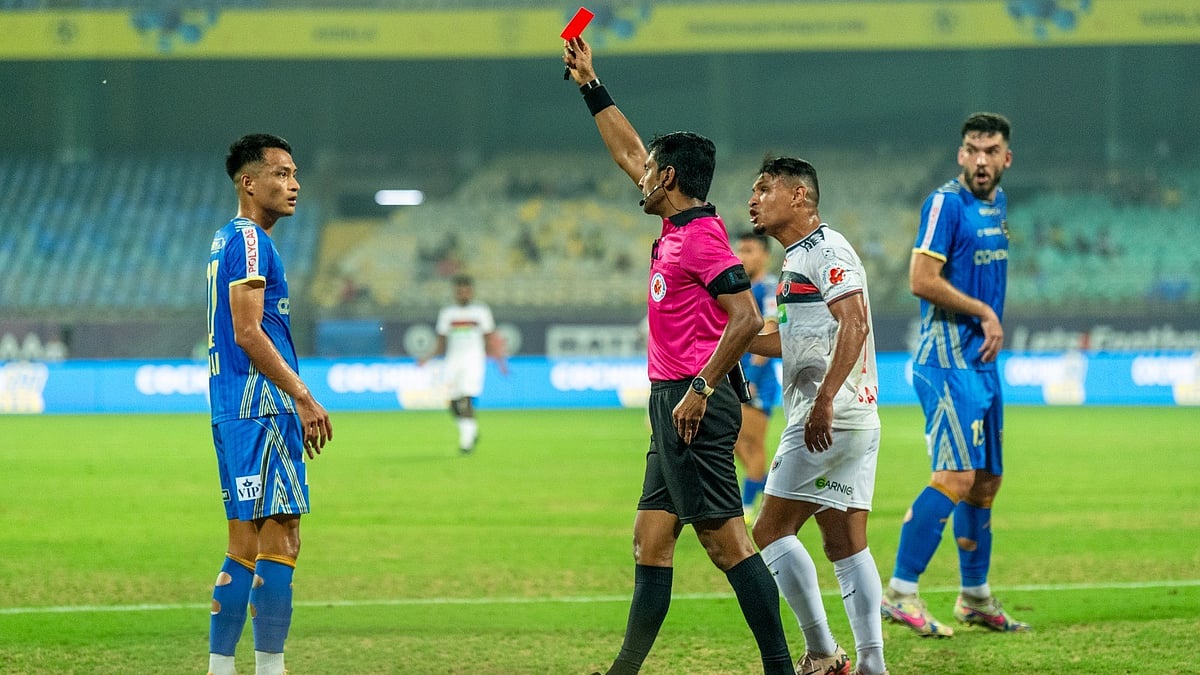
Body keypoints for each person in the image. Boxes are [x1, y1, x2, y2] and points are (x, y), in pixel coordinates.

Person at [563, 37, 794, 675]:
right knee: (651, 540)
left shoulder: (701, 238)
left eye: (649, 170)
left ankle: (780, 665)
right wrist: (591, 85)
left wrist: (698, 389)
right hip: (674, 400)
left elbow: (745, 318)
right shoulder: (674, 225)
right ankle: (623, 671)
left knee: (727, 543)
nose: (637, 173)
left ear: (668, 180)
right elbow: (629, 150)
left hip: (697, 400)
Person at [880, 112, 1030, 637]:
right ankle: (900, 592)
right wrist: (985, 314)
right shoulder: (945, 203)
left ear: (1006, 158)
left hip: (983, 365)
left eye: (992, 151)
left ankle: (975, 597)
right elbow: (921, 279)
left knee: (986, 483)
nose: (982, 160)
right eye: (973, 150)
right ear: (961, 154)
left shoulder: (999, 204)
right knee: (955, 477)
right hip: (946, 361)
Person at [746, 158, 888, 675]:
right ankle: (872, 664)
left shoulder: (827, 249)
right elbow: (788, 341)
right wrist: (731, 330)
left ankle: (824, 653)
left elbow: (856, 322)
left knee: (768, 533)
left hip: (828, 418)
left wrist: (825, 398)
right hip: (851, 419)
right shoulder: (798, 257)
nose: (753, 199)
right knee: (845, 542)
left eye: (764, 189)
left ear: (799, 195)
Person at [205, 133, 333, 675]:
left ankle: (220, 667)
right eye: (280, 173)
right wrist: (302, 395)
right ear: (248, 182)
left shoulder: (223, 241)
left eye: (294, 173)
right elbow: (249, 332)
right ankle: (270, 669)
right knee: (283, 536)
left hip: (231, 407)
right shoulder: (252, 241)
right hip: (262, 405)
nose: (294, 184)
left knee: (243, 545)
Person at [420, 274, 507, 455]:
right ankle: (471, 430)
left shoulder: (481, 312)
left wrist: (499, 361)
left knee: (466, 398)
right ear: (455, 292)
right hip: (453, 361)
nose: (463, 294)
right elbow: (441, 341)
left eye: (466, 290)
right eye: (459, 291)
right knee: (452, 403)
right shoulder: (447, 313)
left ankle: (466, 442)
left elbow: (489, 338)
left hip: (474, 360)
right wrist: (429, 357)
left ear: (471, 291)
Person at [733, 232, 781, 522]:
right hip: (739, 377)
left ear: (764, 254)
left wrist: (751, 375)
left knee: (753, 443)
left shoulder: (770, 287)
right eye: (739, 250)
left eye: (749, 250)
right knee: (735, 441)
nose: (741, 257)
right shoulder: (742, 289)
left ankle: (748, 508)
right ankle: (767, 489)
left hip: (757, 380)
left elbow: (770, 331)